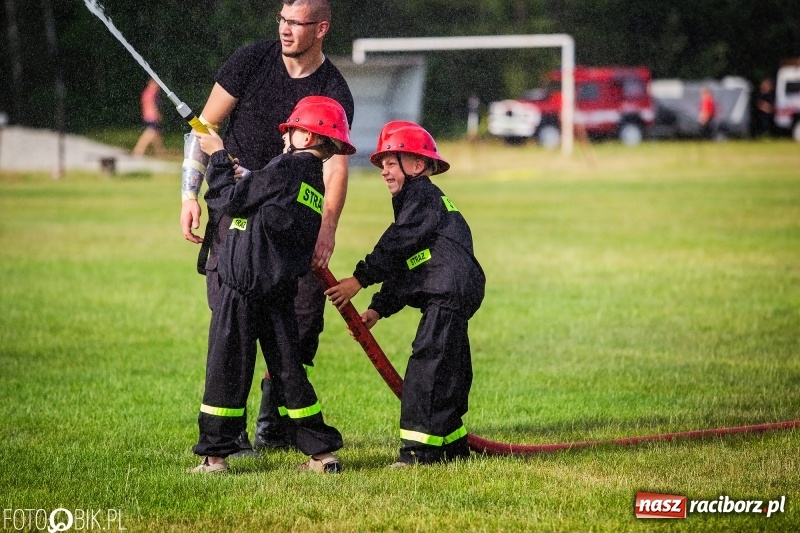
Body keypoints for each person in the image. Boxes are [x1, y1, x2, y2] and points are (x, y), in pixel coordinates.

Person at [179, 0, 354, 455]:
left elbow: (335, 167)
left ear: (321, 29)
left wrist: (326, 228)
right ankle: (234, 437)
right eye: (282, 20)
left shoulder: (333, 89)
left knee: (295, 330)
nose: (285, 31)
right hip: (235, 223)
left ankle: (274, 429)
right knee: (231, 322)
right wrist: (188, 193)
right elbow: (204, 124)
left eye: (296, 23)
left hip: (287, 223)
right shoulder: (251, 61)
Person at [324, 121, 486, 467]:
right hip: (452, 288)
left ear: (416, 164)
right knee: (450, 368)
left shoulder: (422, 196)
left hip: (447, 289)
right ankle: (451, 445)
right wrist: (378, 309)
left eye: (390, 162)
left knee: (427, 368)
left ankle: (418, 452)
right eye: (381, 165)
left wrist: (359, 278)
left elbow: (398, 244)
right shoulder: (420, 203)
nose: (383, 171)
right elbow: (411, 264)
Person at [132, 78, 165, 156]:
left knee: (156, 134)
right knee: (149, 133)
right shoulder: (151, 93)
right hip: (151, 116)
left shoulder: (147, 92)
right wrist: (156, 114)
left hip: (148, 115)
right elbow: (151, 105)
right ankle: (138, 150)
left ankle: (160, 151)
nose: (157, 86)